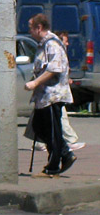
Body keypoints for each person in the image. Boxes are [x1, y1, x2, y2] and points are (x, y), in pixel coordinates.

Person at [25, 13, 76, 176]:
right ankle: (66, 154)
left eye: (30, 27)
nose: (29, 31)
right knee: (39, 126)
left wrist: (35, 83)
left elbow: (54, 69)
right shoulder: (43, 44)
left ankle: (54, 165)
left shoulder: (52, 44)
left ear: (38, 27)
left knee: (52, 131)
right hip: (44, 96)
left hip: (53, 95)